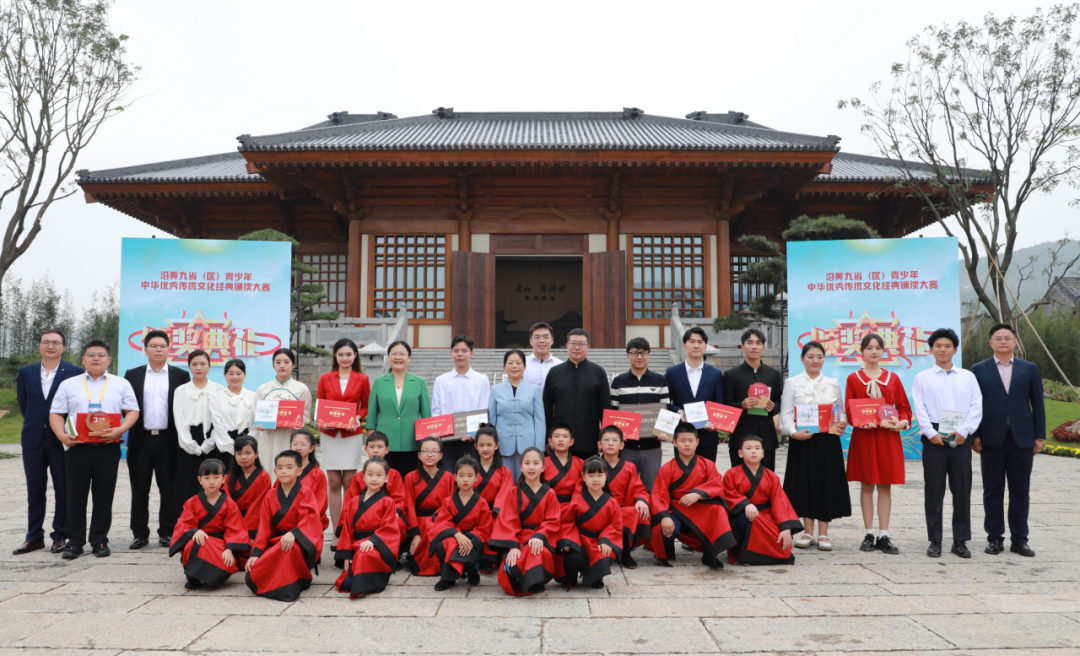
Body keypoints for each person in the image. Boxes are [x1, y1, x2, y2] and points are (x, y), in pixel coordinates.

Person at [49, 340, 141, 559]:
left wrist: (120, 430)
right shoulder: (69, 384)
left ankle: (99, 540)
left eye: (101, 355)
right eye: (91, 355)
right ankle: (74, 541)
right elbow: (56, 413)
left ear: (109, 360)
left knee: (104, 495)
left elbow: (133, 411)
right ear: (83, 359)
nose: (96, 358)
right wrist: (62, 436)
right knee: (75, 495)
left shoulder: (121, 384)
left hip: (107, 448)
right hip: (77, 448)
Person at [971, 323, 1045, 558]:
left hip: (1021, 438)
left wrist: (1039, 435)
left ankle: (1019, 540)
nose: (1003, 341)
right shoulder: (978, 370)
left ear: (1015, 341)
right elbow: (974, 405)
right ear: (990, 342)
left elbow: (1038, 403)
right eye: (998, 338)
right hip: (991, 438)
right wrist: (975, 435)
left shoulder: (1029, 368)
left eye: (1007, 337)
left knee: (1020, 491)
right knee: (992, 491)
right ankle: (994, 538)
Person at [912, 328, 983, 559]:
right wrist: (930, 433)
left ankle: (960, 541)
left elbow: (976, 406)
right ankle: (935, 540)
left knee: (961, 490)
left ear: (955, 349)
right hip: (934, 438)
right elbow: (919, 408)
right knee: (934, 491)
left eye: (947, 346)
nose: (943, 350)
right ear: (931, 349)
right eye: (938, 346)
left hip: (960, 437)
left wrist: (964, 431)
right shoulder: (922, 377)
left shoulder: (967, 377)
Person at [14, 328, 82, 556]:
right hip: (33, 439)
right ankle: (34, 537)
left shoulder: (75, 372)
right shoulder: (26, 372)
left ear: (64, 347)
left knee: (63, 488)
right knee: (35, 490)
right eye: (46, 342)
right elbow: (24, 405)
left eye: (55, 342)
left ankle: (60, 534)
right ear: (40, 345)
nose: (50, 346)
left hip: (61, 439)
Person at [779, 341, 851, 552]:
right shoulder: (792, 383)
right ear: (802, 359)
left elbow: (841, 411)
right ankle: (807, 532)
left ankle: (823, 534)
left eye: (819, 357)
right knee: (804, 483)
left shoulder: (832, 383)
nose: (815, 361)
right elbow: (786, 414)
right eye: (810, 356)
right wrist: (793, 433)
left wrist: (841, 423)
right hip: (803, 440)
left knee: (826, 483)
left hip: (828, 441)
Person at [846, 333, 912, 555]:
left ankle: (884, 534)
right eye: (869, 348)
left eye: (878, 348)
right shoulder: (854, 378)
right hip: (865, 437)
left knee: (885, 485)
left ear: (883, 351)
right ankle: (868, 533)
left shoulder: (893, 378)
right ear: (861, 352)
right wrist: (859, 422)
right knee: (867, 484)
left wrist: (901, 422)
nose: (873, 351)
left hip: (887, 437)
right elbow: (849, 409)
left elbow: (904, 408)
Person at [124, 329, 190, 549]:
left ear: (169, 349)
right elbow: (125, 406)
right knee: (139, 488)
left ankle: (167, 532)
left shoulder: (181, 376)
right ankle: (139, 533)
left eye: (162, 346)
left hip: (169, 441)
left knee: (169, 488)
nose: (158, 349)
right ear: (145, 350)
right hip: (140, 439)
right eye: (153, 346)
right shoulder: (132, 375)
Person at [649, 422, 736, 570]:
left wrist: (698, 494)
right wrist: (664, 516)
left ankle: (710, 554)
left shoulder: (707, 464)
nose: (687, 444)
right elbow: (658, 495)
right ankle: (667, 550)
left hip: (699, 507)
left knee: (718, 509)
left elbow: (716, 484)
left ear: (697, 442)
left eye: (691, 440)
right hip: (676, 508)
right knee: (665, 527)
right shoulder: (667, 468)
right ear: (674, 443)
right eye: (682, 441)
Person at [244, 450, 324, 601]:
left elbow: (311, 519)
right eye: (280, 468)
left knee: (289, 549)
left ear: (299, 471)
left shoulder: (306, 492)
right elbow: (264, 527)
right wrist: (256, 553)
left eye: (289, 467)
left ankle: (291, 585)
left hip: (300, 541)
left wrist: (294, 533)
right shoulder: (270, 495)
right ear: (275, 471)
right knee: (254, 572)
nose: (284, 471)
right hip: (277, 542)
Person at [317, 338, 370, 540]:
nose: (345, 358)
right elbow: (320, 404)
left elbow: (366, 406)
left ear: (355, 355)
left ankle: (348, 527)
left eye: (349, 354)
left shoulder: (362, 379)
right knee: (333, 482)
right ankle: (335, 531)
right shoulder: (325, 378)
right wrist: (323, 419)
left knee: (349, 481)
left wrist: (357, 417)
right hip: (330, 434)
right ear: (335, 356)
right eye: (341, 354)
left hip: (351, 434)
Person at [168, 458, 250, 590]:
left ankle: (212, 576)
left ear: (224, 479)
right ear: (199, 480)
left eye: (216, 477)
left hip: (220, 544)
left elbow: (235, 528)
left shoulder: (229, 504)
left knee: (227, 563)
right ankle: (193, 577)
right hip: (200, 540)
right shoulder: (191, 502)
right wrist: (195, 531)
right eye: (206, 478)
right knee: (192, 544)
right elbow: (184, 524)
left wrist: (229, 549)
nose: (211, 482)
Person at [721, 435, 803, 565]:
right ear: (740, 453)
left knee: (782, 546)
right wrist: (746, 504)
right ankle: (745, 555)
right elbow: (727, 494)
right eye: (749, 448)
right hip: (742, 513)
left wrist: (785, 528)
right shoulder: (731, 474)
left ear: (763, 453)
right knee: (744, 519)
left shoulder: (772, 477)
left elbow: (779, 502)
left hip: (766, 514)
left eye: (757, 448)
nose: (753, 451)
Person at [489, 447, 560, 596]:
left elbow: (553, 520)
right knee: (518, 556)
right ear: (521, 467)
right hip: (518, 538)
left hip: (539, 538)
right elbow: (507, 521)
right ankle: (519, 574)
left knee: (538, 551)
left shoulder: (550, 493)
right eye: (527, 463)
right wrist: (513, 546)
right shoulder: (513, 492)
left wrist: (539, 536)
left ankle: (535, 581)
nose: (531, 467)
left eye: (536, 463)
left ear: (543, 467)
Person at [334, 457, 401, 598]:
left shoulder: (388, 502)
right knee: (346, 584)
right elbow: (347, 529)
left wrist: (373, 541)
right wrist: (346, 554)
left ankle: (369, 581)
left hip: (376, 547)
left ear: (386, 478)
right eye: (370, 474)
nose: (374, 479)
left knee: (364, 554)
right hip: (356, 544)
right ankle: (364, 582)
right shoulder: (354, 501)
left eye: (379, 475)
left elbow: (389, 528)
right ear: (363, 477)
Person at [610, 337, 670, 492]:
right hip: (626, 447)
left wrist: (665, 432)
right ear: (627, 355)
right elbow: (613, 412)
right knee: (626, 487)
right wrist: (617, 435)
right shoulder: (618, 382)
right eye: (634, 353)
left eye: (643, 353)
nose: (639, 357)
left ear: (648, 355)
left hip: (652, 446)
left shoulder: (659, 380)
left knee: (651, 488)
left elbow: (666, 410)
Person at [554, 456, 622, 590]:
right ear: (583, 477)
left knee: (605, 553)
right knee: (573, 558)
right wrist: (568, 540)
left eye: (599, 475)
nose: (595, 479)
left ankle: (597, 577)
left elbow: (615, 525)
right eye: (590, 475)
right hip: (580, 540)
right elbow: (567, 522)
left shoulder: (612, 502)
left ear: (606, 476)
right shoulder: (577, 500)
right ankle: (571, 575)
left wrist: (606, 540)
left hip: (599, 542)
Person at [340, 431, 413, 558]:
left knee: (399, 523)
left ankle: (393, 554)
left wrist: (395, 512)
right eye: (371, 447)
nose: (375, 450)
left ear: (387, 450)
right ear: (365, 449)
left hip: (387, 515)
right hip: (365, 516)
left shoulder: (394, 475)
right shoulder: (358, 476)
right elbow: (349, 502)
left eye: (380, 447)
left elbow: (400, 499)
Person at [427, 455, 494, 591]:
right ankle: (448, 578)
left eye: (470, 475)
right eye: (461, 475)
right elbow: (443, 523)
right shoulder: (448, 501)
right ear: (455, 477)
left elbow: (484, 529)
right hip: (453, 535)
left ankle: (472, 570)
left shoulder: (482, 503)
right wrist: (457, 535)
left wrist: (467, 538)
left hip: (473, 538)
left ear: (476, 477)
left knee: (470, 543)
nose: (465, 479)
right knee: (447, 542)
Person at [543, 328, 611, 458]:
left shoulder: (598, 372)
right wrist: (548, 438)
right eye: (573, 343)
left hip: (589, 438)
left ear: (588, 347)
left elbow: (605, 408)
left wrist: (604, 438)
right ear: (567, 346)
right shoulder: (554, 372)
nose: (577, 347)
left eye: (581, 344)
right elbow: (547, 408)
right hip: (560, 440)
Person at [367, 341, 432, 476]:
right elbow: (372, 415)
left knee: (410, 480)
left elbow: (426, 416)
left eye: (402, 354)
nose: (398, 357)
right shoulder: (379, 382)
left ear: (409, 358)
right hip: (384, 443)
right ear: (388, 358)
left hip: (412, 442)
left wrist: (426, 445)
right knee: (385, 480)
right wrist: (372, 443)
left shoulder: (419, 382)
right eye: (394, 354)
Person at [723, 328, 784, 470]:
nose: (754, 347)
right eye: (750, 343)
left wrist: (773, 407)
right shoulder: (731, 375)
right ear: (742, 347)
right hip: (740, 436)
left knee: (767, 477)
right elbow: (725, 405)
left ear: (763, 348)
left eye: (758, 343)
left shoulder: (774, 374)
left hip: (766, 437)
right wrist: (741, 405)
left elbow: (780, 401)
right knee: (739, 477)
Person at [665, 328, 725, 464]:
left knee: (707, 473)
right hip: (682, 436)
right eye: (692, 342)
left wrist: (714, 422)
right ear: (684, 346)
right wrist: (679, 411)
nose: (696, 345)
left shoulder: (715, 374)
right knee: (683, 473)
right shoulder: (672, 373)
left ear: (705, 346)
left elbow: (719, 403)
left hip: (707, 435)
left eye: (700, 342)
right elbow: (665, 402)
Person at [172, 350, 224, 507]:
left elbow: (220, 420)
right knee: (186, 482)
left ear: (209, 366)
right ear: (189, 367)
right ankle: (186, 519)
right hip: (186, 440)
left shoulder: (219, 389)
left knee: (211, 481)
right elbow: (179, 420)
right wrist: (190, 445)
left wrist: (209, 443)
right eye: (194, 364)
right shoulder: (181, 390)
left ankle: (212, 517)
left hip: (212, 439)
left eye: (203, 364)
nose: (199, 368)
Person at [431, 335, 491, 468]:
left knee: (469, 475)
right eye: (456, 351)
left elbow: (483, 410)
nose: (460, 354)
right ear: (451, 353)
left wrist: (473, 433)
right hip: (446, 440)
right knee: (447, 475)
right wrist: (439, 432)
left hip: (471, 440)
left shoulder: (481, 380)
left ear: (472, 353)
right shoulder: (441, 380)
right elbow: (436, 410)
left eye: (464, 351)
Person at [596, 425, 651, 569]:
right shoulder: (593, 465)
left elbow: (639, 488)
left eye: (615, 440)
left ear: (622, 445)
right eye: (606, 440)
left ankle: (625, 552)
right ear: (599, 444)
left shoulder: (629, 467)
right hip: (598, 509)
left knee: (634, 511)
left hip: (621, 510)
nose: (610, 443)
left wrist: (641, 500)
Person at [255, 348, 312, 481]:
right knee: (268, 469)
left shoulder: (301, 389)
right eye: (278, 362)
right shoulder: (263, 389)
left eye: (286, 362)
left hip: (290, 438)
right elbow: (256, 415)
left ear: (293, 365)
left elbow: (306, 415)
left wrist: (299, 422)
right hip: (269, 438)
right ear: (273, 365)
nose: (282, 365)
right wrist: (260, 424)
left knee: (290, 471)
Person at [488, 349, 546, 480]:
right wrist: (491, 444)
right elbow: (492, 420)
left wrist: (539, 448)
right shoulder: (496, 390)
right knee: (505, 481)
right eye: (510, 363)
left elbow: (540, 420)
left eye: (518, 363)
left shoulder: (534, 389)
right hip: (502, 444)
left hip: (528, 444)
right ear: (504, 367)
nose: (514, 366)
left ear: (524, 367)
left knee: (526, 482)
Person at [404, 437, 454, 576]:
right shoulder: (410, 477)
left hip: (441, 520)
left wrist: (440, 522)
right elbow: (409, 506)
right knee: (426, 526)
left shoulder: (449, 477)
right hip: (418, 522)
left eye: (434, 451)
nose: (430, 455)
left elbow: (451, 506)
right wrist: (415, 534)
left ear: (441, 455)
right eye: (425, 451)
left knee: (431, 526)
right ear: (419, 455)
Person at [224, 435, 270, 561]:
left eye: (248, 453)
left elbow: (260, 505)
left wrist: (247, 531)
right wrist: (237, 523)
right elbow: (227, 502)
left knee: (252, 546)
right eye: (239, 453)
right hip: (233, 519)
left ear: (256, 454)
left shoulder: (263, 477)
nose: (243, 457)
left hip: (255, 521)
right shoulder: (229, 477)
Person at [209, 359, 257, 451]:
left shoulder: (254, 396)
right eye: (231, 374)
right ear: (225, 375)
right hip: (224, 443)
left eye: (238, 374)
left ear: (244, 375)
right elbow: (217, 424)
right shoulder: (217, 397)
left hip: (249, 443)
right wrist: (230, 447)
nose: (235, 377)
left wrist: (248, 442)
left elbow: (257, 423)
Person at [288, 430, 329, 532]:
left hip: (309, 521)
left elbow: (320, 504)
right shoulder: (285, 471)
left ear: (311, 448)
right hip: (286, 519)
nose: (298, 447)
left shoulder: (318, 474)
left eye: (303, 444)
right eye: (295, 444)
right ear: (290, 447)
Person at [544, 423, 583, 504]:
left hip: (574, 506)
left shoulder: (581, 463)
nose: (561, 440)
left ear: (571, 441)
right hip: (548, 505)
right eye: (556, 436)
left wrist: (574, 505)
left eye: (565, 436)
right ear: (550, 441)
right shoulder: (542, 463)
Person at [523, 322, 561, 393]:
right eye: (537, 337)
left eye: (546, 337)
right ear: (531, 341)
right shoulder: (522, 364)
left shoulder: (560, 365)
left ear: (552, 340)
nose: (542, 341)